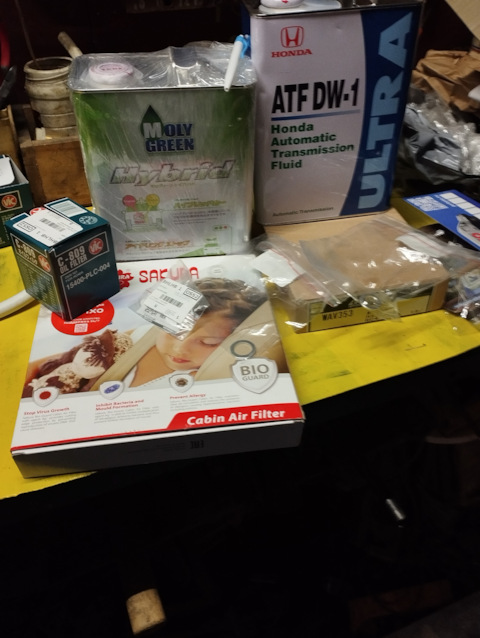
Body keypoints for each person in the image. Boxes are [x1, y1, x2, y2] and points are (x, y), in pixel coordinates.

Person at [22, 277, 268, 396]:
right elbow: (43, 365)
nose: (180, 348)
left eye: (207, 342)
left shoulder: (210, 376)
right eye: (172, 331)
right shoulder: (137, 338)